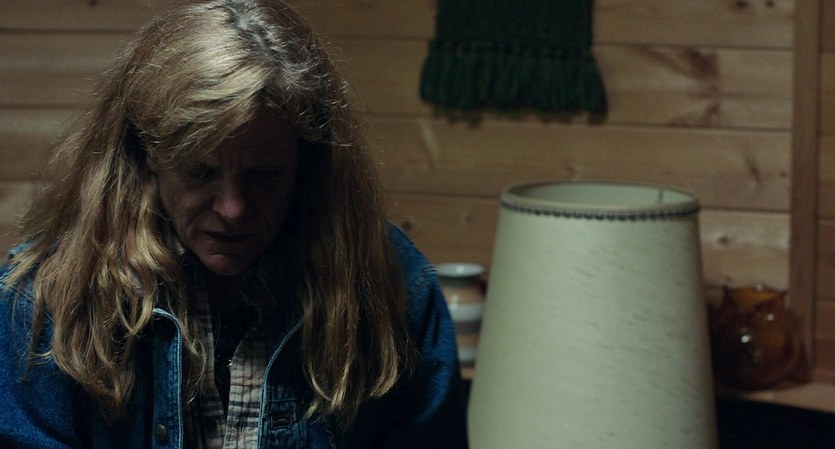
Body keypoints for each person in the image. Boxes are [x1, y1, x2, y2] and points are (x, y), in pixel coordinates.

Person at [0, 1, 469, 448]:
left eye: (265, 176)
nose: (234, 210)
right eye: (201, 173)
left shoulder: (393, 286)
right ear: (147, 158)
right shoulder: (46, 300)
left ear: (306, 167)